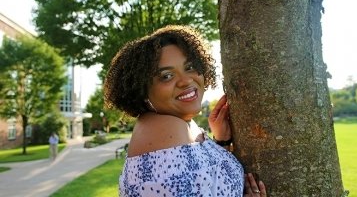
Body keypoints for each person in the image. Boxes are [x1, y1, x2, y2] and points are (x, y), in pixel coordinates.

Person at [104, 25, 266, 196]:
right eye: (166, 76)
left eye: (189, 67)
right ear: (142, 90)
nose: (185, 81)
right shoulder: (167, 128)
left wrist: (221, 142)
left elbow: (206, 182)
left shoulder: (177, 122)